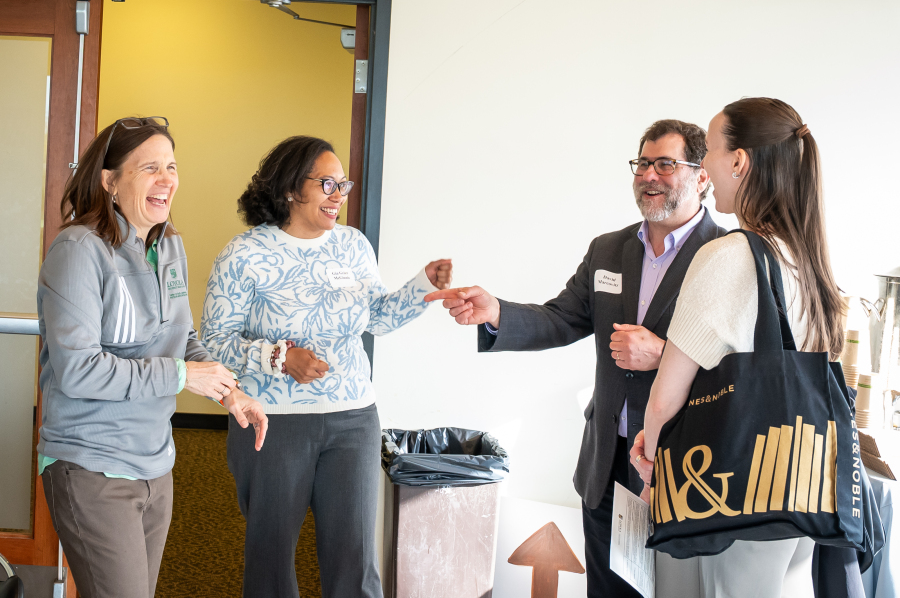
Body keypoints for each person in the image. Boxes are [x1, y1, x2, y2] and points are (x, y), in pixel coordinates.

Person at [426, 120, 726, 598]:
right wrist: (497, 312)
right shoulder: (608, 249)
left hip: (685, 465)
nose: (650, 175)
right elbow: (563, 319)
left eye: (666, 164)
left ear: (702, 176)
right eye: (643, 163)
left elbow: (743, 362)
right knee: (607, 591)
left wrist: (664, 355)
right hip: (607, 462)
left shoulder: (727, 255)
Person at [201, 135, 453, 598]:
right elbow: (214, 342)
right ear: (291, 189)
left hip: (353, 418)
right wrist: (279, 357)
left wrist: (421, 287)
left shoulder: (354, 246)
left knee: (354, 559)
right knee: (271, 558)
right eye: (327, 184)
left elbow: (374, 317)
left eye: (344, 185)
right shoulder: (243, 254)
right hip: (271, 422)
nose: (339, 195)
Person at [37, 116, 268, 598]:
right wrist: (182, 376)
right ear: (110, 181)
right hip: (91, 464)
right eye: (150, 168)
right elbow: (78, 370)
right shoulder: (79, 250)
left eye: (172, 167)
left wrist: (230, 391)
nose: (167, 180)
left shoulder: (170, 246)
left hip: (155, 465)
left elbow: (181, 338)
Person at [630, 98, 845, 597]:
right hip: (797, 491)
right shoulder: (806, 261)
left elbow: (665, 398)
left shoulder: (728, 256)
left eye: (710, 150)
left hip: (723, 498)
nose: (703, 165)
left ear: (739, 162)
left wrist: (650, 468)